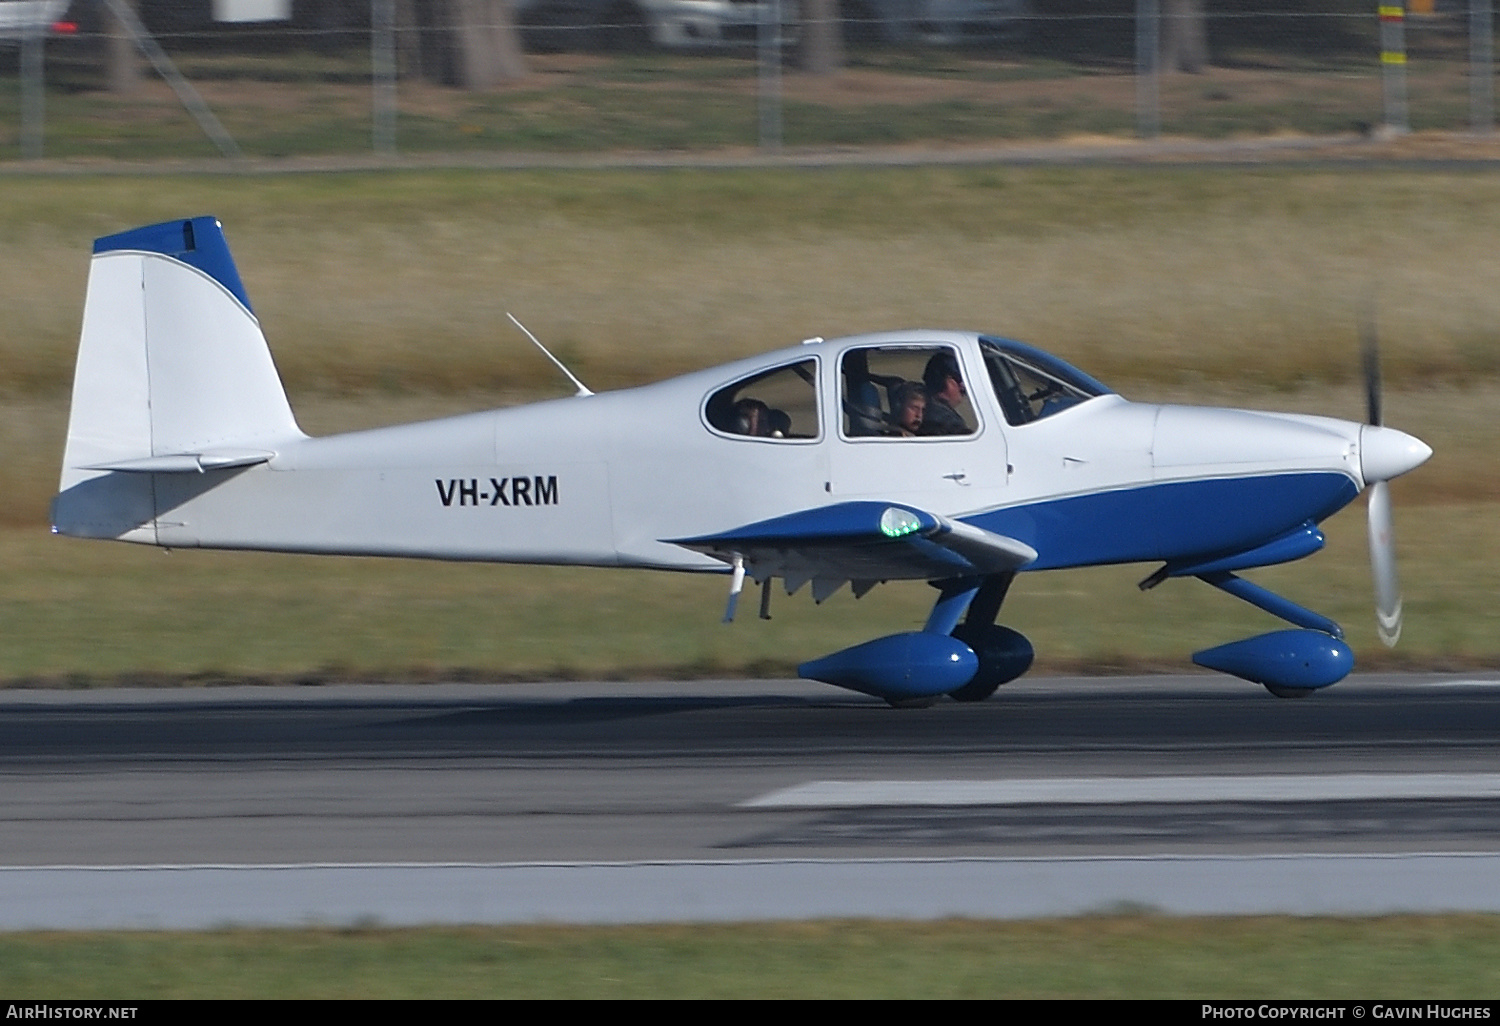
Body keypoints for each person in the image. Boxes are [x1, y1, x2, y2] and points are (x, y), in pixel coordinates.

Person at [919, 351, 970, 436]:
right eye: (959, 380)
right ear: (944, 382)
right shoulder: (947, 420)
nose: (963, 387)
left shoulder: (925, 409)